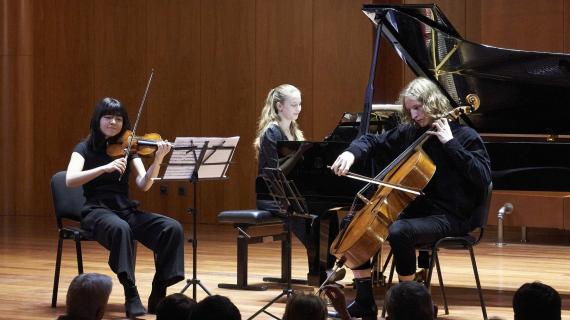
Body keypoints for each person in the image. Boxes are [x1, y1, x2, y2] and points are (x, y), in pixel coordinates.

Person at [330, 77, 491, 319]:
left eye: (418, 108)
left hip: (452, 215)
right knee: (354, 224)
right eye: (410, 109)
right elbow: (372, 140)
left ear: (433, 103)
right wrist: (351, 153)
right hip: (419, 211)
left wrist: (450, 144)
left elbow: (482, 176)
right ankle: (364, 301)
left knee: (399, 231)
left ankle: (412, 304)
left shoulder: (464, 135)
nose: (414, 115)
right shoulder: (412, 133)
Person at [65, 97, 185, 317]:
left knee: (172, 228)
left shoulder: (129, 147)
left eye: (118, 118)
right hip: (96, 211)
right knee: (121, 229)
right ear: (97, 119)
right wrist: (105, 168)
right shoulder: (83, 148)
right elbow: (70, 180)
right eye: (108, 117)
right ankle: (131, 292)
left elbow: (144, 184)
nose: (113, 122)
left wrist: (157, 160)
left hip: (125, 210)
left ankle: (159, 288)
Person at [254, 84, 338, 285]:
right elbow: (276, 172)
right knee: (310, 217)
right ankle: (318, 270)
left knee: (329, 213)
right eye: (294, 104)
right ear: (279, 106)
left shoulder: (294, 131)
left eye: (300, 104)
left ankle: (326, 267)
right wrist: (301, 152)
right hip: (273, 196)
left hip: (292, 193)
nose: (298, 108)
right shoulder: (271, 133)